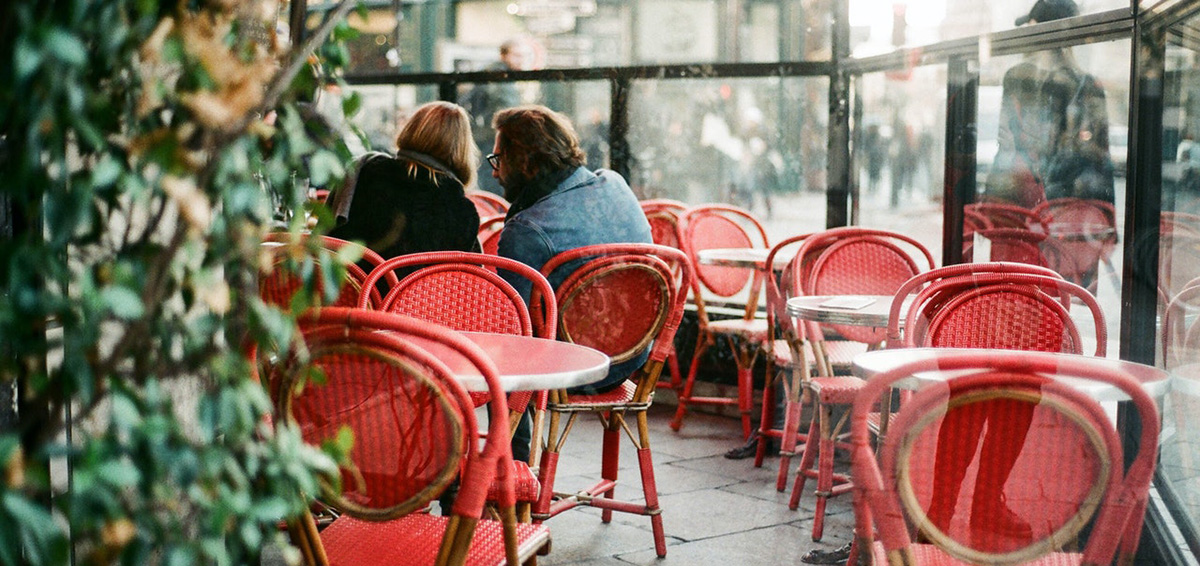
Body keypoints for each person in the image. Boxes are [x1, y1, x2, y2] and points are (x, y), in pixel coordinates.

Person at [489, 105, 653, 462]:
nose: (496, 172)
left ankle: (508, 478)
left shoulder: (528, 229)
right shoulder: (616, 184)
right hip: (633, 357)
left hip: (576, 371)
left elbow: (510, 324)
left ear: (526, 162)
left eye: (499, 158)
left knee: (498, 358)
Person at [982, 0, 1114, 210]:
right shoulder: (1087, 84)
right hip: (1069, 203)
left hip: (1018, 198)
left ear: (1038, 29)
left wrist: (991, 200)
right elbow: (1100, 157)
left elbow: (1006, 142)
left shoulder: (1016, 78)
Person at [326, 101, 481, 273]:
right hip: (418, 300)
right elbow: (465, 282)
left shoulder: (365, 171)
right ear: (462, 148)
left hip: (351, 294)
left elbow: (323, 238)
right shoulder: (462, 211)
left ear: (411, 129)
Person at [460, 39, 526, 195]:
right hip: (492, 136)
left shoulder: (493, 73)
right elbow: (506, 109)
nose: (521, 60)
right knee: (494, 179)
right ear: (504, 55)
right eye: (516, 55)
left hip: (483, 135)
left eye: (523, 56)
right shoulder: (501, 76)